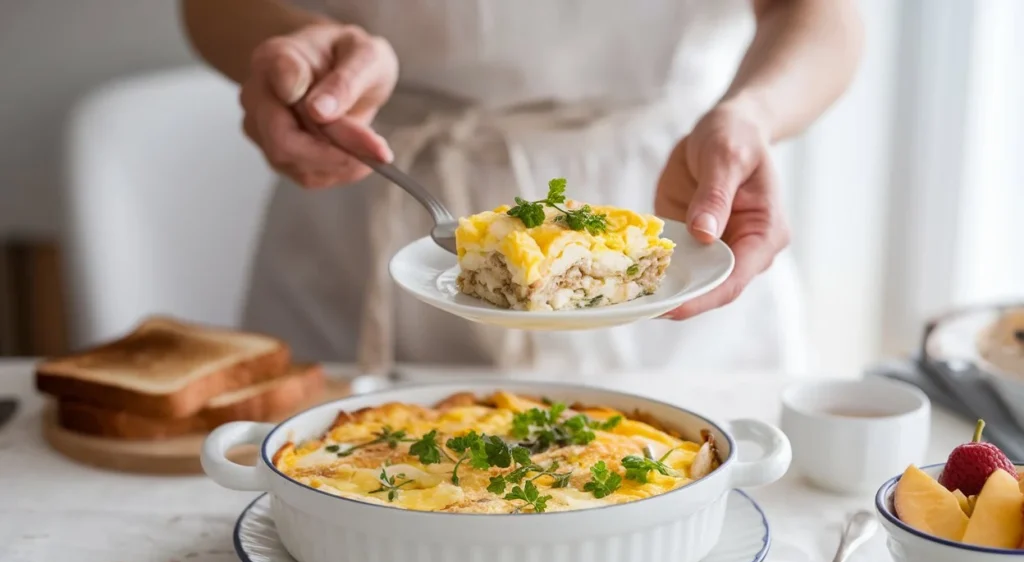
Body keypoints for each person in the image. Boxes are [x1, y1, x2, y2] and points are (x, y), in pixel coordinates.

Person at [181, 0, 862, 375]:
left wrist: (755, 114)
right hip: (371, 187)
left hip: (671, 195)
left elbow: (825, 12)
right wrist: (303, 48)